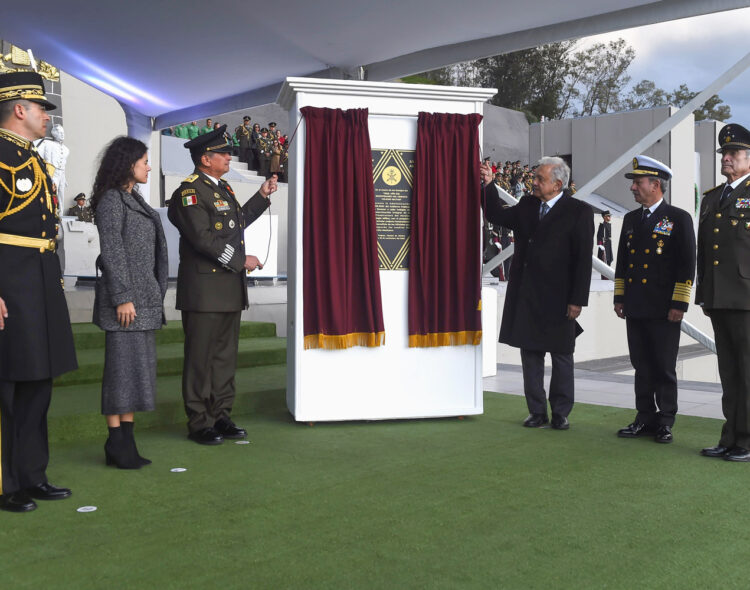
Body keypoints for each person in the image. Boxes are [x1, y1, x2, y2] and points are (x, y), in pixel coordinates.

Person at [167, 126, 278, 445]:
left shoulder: (222, 188)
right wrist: (239, 260)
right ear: (205, 159)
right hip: (204, 290)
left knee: (224, 357)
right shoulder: (189, 192)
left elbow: (236, 222)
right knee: (200, 358)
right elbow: (202, 239)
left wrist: (261, 196)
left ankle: (221, 414)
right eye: (223, 153)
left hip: (228, 288)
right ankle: (200, 420)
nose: (229, 157)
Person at [0, 71, 77, 512]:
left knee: (38, 383)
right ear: (19, 109)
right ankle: (6, 482)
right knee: (9, 386)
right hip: (10, 281)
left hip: (41, 277)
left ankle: (32, 475)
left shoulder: (34, 159)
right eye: (41, 108)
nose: (47, 116)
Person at [481, 156, 594, 429]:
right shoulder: (528, 204)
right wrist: (488, 185)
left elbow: (582, 261)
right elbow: (497, 215)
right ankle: (536, 411)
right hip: (528, 294)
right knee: (530, 355)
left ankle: (561, 413)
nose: (534, 182)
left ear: (557, 184)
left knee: (562, 355)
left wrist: (577, 300)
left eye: (540, 179)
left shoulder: (579, 211)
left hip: (560, 298)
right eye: (535, 178)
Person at [91, 137, 169, 469]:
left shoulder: (130, 197)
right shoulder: (112, 200)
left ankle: (127, 441)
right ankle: (116, 442)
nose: (149, 166)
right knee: (120, 375)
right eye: (145, 161)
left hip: (143, 301)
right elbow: (112, 252)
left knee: (135, 374)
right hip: (126, 304)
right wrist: (123, 297)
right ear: (128, 164)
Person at [613, 155, 696, 444]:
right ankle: (644, 417)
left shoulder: (678, 219)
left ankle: (665, 420)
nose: (633, 188)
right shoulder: (631, 219)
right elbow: (623, 261)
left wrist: (679, 304)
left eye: (638, 183)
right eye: (634, 183)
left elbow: (687, 265)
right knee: (641, 364)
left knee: (663, 365)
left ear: (655, 185)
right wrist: (620, 296)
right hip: (636, 305)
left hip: (663, 308)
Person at [696, 123, 750, 462]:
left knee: (747, 372)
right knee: (729, 372)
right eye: (724, 154)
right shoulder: (713, 197)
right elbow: (706, 250)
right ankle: (730, 436)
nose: (726, 158)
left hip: (746, 298)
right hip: (718, 296)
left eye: (733, 154)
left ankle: (745, 440)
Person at [596, 210, 613, 279]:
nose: (609, 217)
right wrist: (600, 245)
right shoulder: (602, 225)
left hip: (608, 244)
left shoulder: (608, 225)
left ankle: (607, 275)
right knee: (604, 260)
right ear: (604, 217)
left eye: (609, 216)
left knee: (609, 259)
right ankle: (604, 276)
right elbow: (599, 235)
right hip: (604, 244)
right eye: (608, 216)